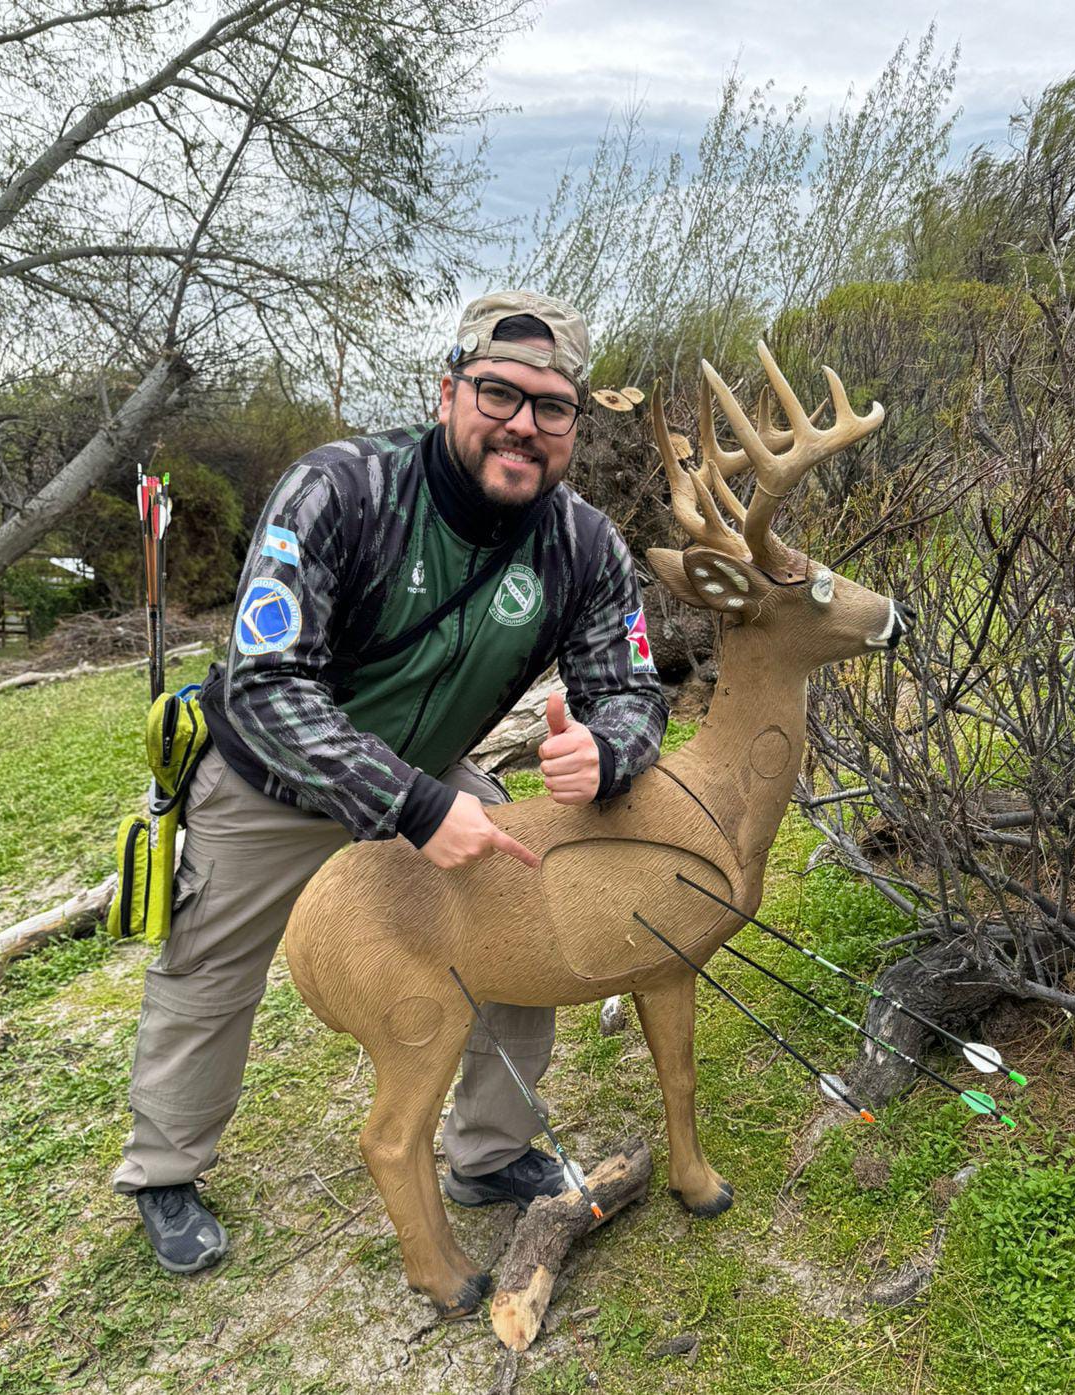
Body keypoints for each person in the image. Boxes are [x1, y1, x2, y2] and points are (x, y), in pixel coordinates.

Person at [114, 289, 669, 1274]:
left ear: (575, 423)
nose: (524, 425)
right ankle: (164, 1170)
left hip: (434, 772)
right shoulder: (339, 489)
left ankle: (488, 1153)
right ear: (449, 387)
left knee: (521, 925)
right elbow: (272, 682)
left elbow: (631, 689)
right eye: (500, 392)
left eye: (553, 407)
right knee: (208, 974)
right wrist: (410, 810)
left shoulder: (586, 547)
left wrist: (608, 750)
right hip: (272, 777)